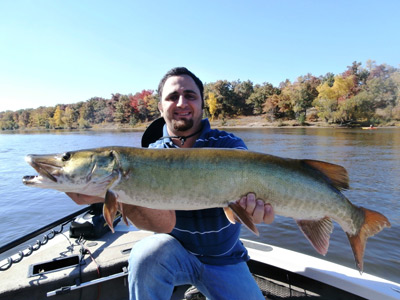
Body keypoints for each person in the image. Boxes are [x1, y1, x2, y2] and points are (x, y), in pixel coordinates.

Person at [67, 67, 274, 300]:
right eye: (172, 97)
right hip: (173, 255)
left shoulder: (228, 145)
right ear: (160, 107)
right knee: (146, 254)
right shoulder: (149, 156)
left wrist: (251, 212)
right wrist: (119, 194)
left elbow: (243, 209)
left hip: (225, 259)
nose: (182, 102)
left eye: (190, 96)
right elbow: (163, 224)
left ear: (202, 104)